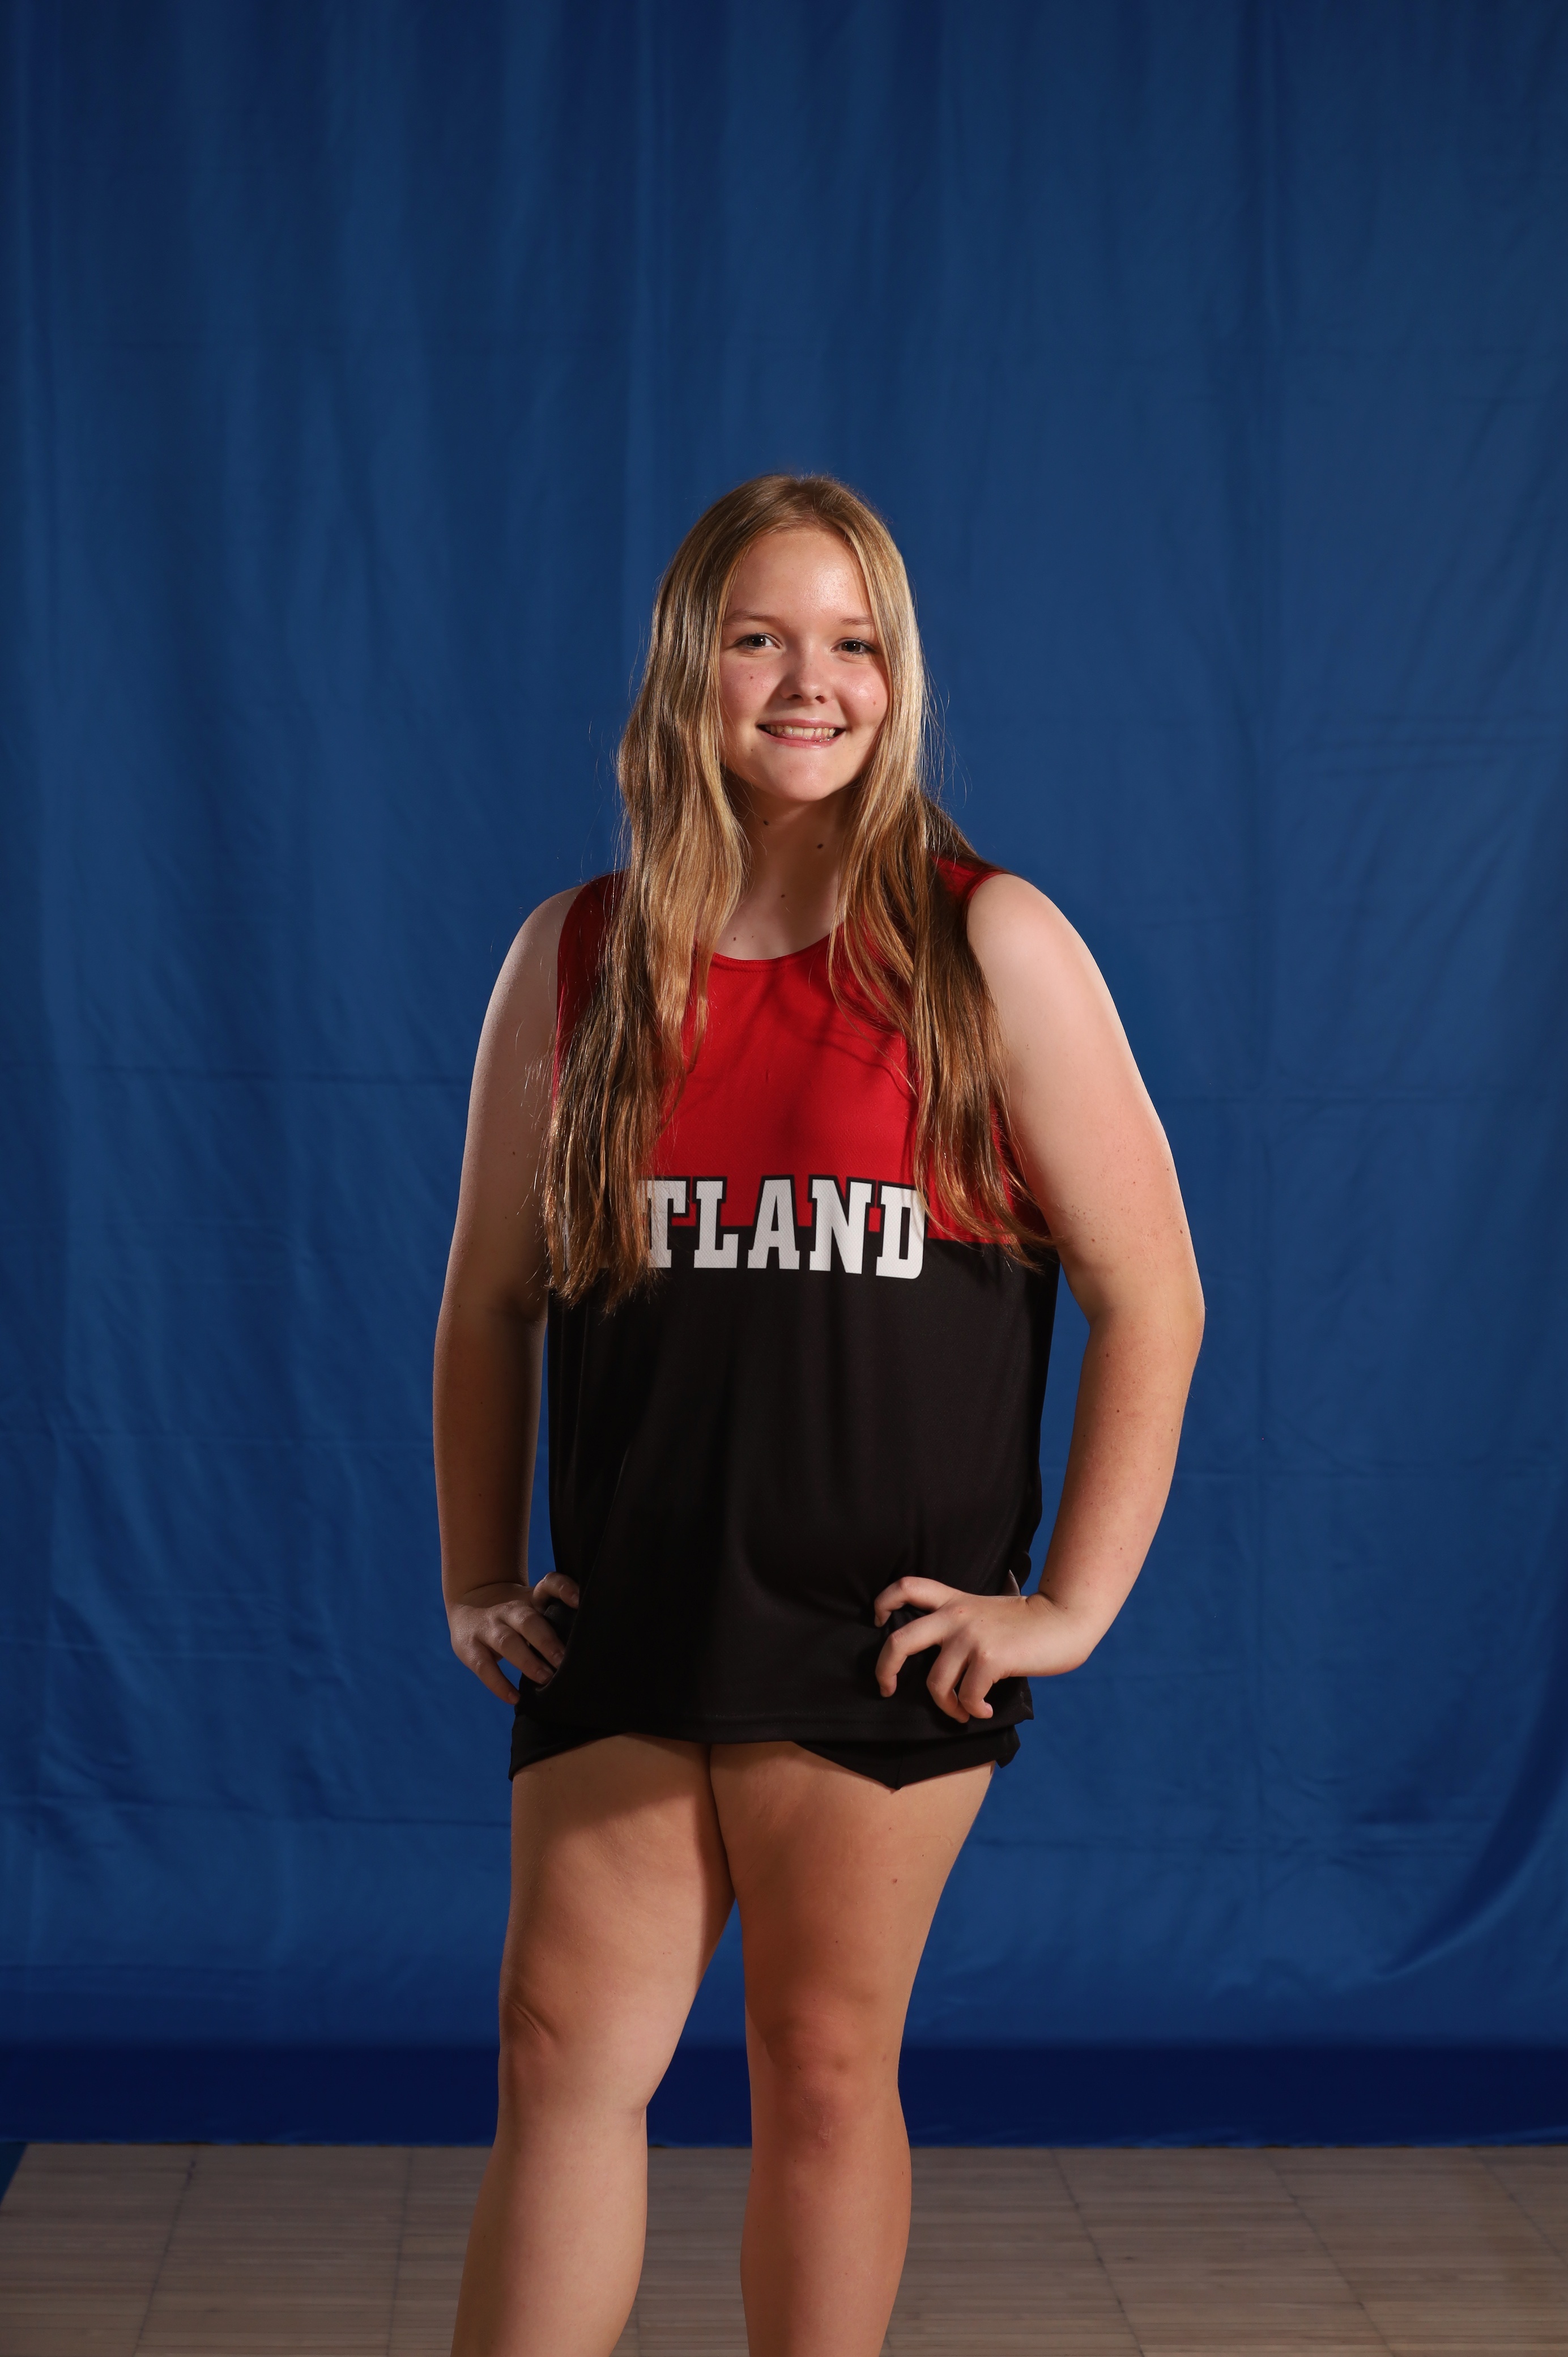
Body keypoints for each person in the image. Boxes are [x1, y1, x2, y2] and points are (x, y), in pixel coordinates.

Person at [433, 473, 1204, 2357]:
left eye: (853, 644)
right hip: (637, 1610)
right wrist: (476, 1577)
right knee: (553, 2047)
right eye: (760, 638)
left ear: (898, 677)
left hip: (871, 1636)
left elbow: (1156, 1293)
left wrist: (1071, 1606)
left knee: (823, 2063)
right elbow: (489, 1303)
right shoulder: (577, 957)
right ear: (684, 668)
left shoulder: (986, 944)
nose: (810, 682)